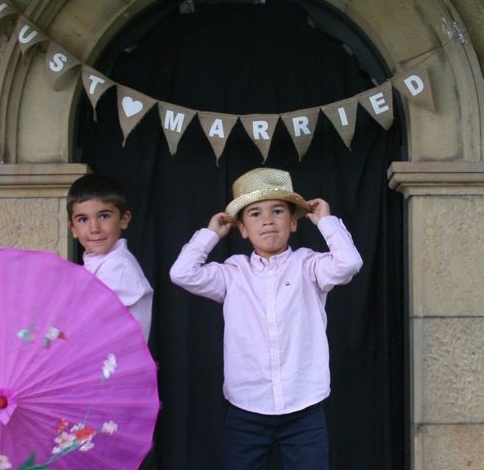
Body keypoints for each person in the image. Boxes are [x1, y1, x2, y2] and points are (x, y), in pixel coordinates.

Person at [169, 167, 363, 469]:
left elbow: (349, 263)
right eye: (255, 214)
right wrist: (209, 234)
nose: (268, 220)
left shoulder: (309, 266)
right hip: (246, 409)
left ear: (294, 223)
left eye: (277, 211)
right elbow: (181, 273)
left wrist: (326, 221)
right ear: (242, 229)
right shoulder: (233, 273)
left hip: (304, 408)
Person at [67, 174, 152, 342]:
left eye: (104, 216)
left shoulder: (118, 266)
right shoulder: (96, 264)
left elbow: (87, 327)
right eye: (83, 219)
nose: (94, 228)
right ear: (73, 228)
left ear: (124, 219)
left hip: (115, 366)